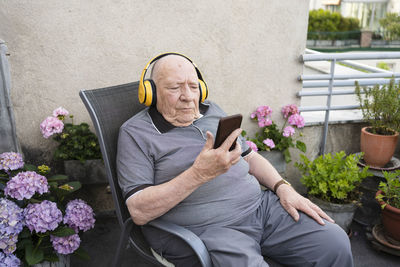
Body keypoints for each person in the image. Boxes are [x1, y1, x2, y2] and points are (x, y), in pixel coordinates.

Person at [117, 53, 353, 267]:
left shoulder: (211, 110)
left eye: (193, 86)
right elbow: (139, 211)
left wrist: (283, 187)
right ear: (151, 93)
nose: (188, 97)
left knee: (335, 243)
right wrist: (198, 174)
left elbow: (249, 156)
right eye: (174, 88)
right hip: (209, 230)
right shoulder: (136, 133)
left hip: (261, 209)